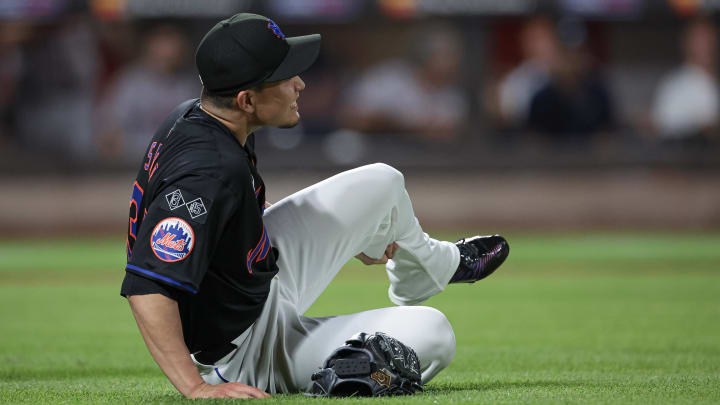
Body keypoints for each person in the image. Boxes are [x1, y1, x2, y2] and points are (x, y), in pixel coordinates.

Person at [121, 13, 509, 399]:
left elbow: (230, 212)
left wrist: (347, 236)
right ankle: (338, 369)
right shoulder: (207, 170)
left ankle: (427, 268)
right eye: (286, 77)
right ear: (247, 100)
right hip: (242, 351)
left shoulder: (203, 117)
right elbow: (147, 284)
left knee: (383, 182)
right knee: (435, 333)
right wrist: (194, 387)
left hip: (254, 283)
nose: (300, 83)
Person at [652, 19, 719, 142]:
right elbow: (663, 128)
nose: (705, 47)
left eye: (709, 40)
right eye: (699, 41)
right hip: (692, 155)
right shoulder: (673, 85)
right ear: (687, 44)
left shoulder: (714, 82)